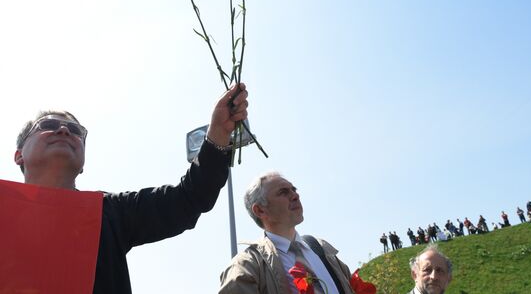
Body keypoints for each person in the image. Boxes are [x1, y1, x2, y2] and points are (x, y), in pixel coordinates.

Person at [14, 84, 249, 294]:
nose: (64, 131)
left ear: (83, 164)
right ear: (18, 156)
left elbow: (189, 198)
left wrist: (218, 134)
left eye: (76, 131)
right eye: (48, 125)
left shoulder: (110, 211)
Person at [219, 172, 354, 293]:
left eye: (293, 189)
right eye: (283, 192)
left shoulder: (321, 248)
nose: (295, 195)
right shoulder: (246, 266)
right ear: (260, 210)